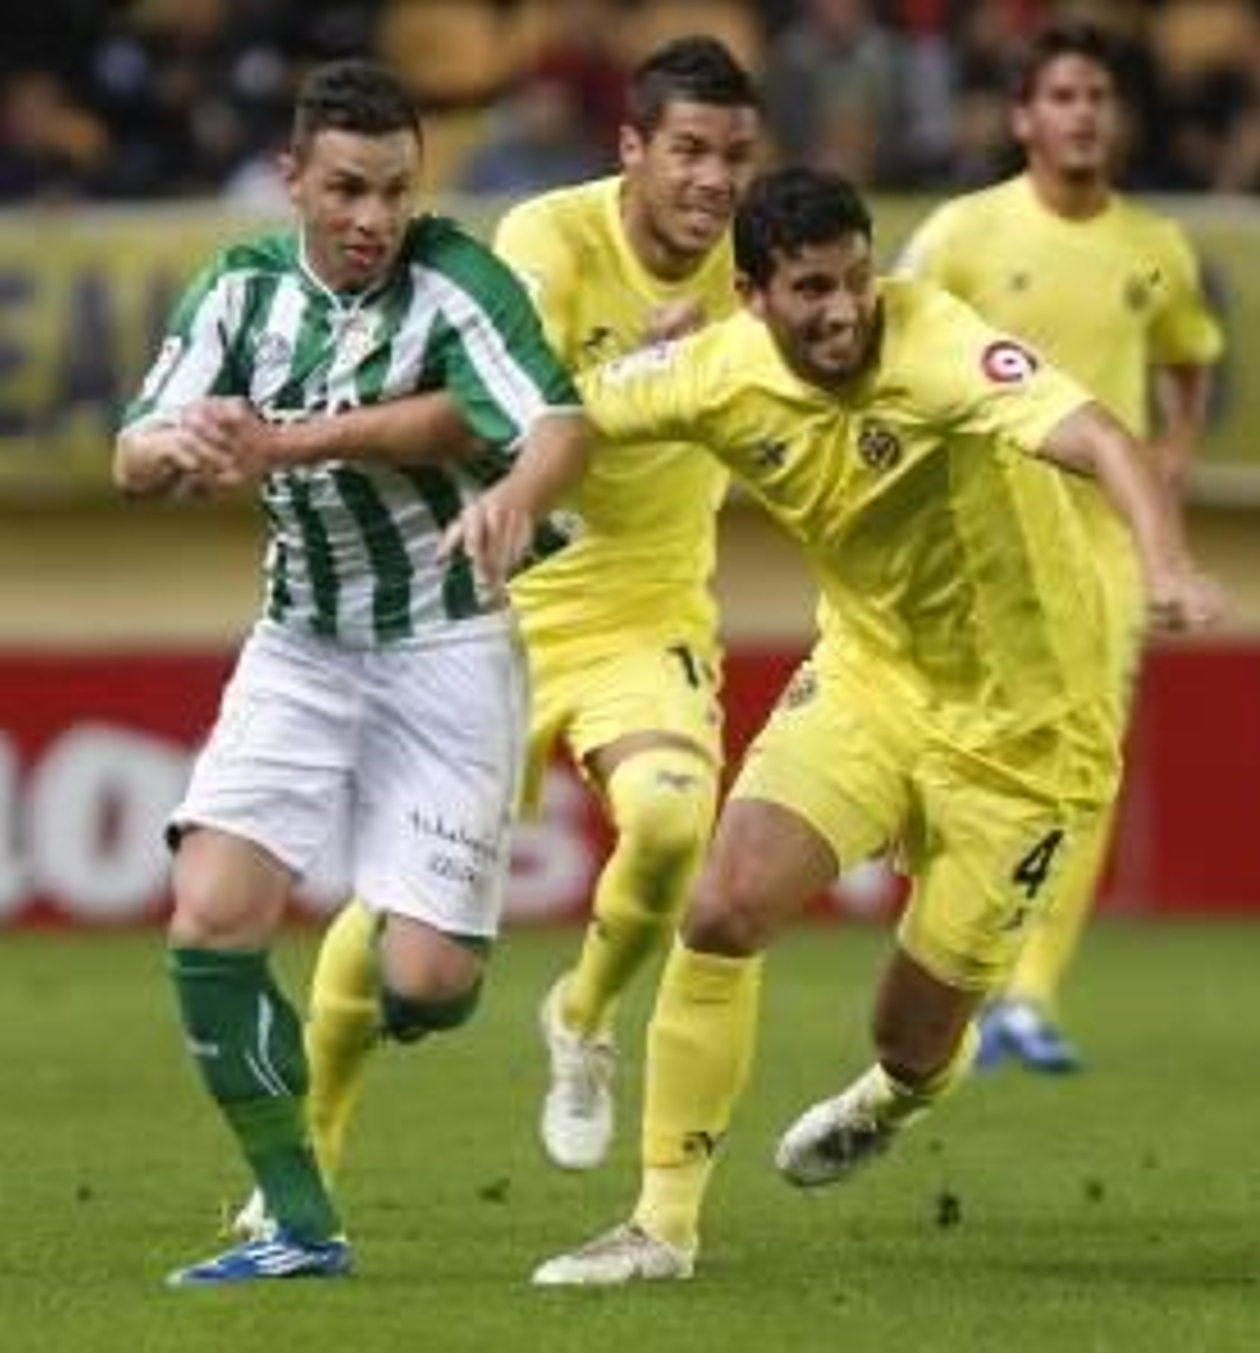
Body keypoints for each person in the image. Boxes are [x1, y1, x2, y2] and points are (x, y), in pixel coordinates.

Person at [528, 166, 1225, 1286]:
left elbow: (1099, 436)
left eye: (854, 280)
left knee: (910, 1033)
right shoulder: (712, 371)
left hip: (1029, 731)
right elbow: (563, 405)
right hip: (869, 683)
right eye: (811, 289)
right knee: (721, 905)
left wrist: (1167, 561)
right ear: (751, 293)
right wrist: (501, 497)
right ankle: (661, 1227)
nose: (844, 309)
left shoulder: (936, 342)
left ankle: (897, 1096)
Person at [115, 58, 588, 1287]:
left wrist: (516, 501)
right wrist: (185, 448)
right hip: (299, 647)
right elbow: (134, 451)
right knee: (210, 921)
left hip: (445, 645)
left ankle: (418, 970)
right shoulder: (239, 288)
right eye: (345, 190)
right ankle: (299, 1221)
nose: (372, 217)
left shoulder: (457, 278)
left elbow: (555, 426)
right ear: (292, 181)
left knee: (426, 985)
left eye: (392, 190)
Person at [285, 35, 760, 1196]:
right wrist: (647, 376)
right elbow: (513, 402)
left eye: (734, 157)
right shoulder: (550, 238)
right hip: (499, 611)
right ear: (632, 150)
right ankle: (306, 1160)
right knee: (399, 910)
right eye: (687, 151)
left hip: (649, 614)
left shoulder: (758, 268)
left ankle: (580, 1016)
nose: (712, 180)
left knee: (666, 824)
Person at [899, 22, 1225, 1075]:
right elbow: (887, 340)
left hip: (1101, 543)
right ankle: (964, 965)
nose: (1083, 111)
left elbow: (1189, 359)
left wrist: (1170, 456)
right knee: (960, 763)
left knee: (1086, 768)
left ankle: (1028, 998)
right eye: (1063, 95)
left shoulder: (1155, 250)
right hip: (978, 536)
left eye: (1097, 94)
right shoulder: (962, 233)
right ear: (1022, 118)